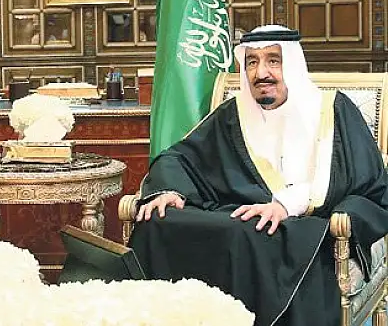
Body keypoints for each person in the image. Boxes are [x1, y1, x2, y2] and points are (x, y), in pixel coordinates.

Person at [130, 25, 388, 326]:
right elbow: (182, 156)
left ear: (292, 65)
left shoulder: (333, 110)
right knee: (156, 221)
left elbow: (362, 178)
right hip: (238, 217)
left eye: (272, 61)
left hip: (306, 224)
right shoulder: (232, 114)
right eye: (252, 62)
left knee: (248, 235)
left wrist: (285, 205)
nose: (260, 73)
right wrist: (170, 190)